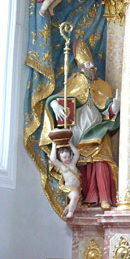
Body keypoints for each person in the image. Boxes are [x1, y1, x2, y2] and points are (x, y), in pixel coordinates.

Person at [44, 41, 119, 209]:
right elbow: (57, 99)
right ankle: (88, 197)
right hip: (78, 130)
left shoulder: (103, 86)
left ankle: (104, 197)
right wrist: (55, 105)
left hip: (98, 129)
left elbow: (108, 111)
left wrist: (115, 106)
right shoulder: (74, 81)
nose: (91, 67)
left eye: (92, 64)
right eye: (87, 64)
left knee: (101, 161)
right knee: (81, 164)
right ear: (81, 67)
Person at [49, 141, 82, 220]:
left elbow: (77, 154)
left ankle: (67, 209)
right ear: (60, 158)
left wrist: (70, 144)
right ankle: (70, 212)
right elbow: (53, 159)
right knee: (74, 197)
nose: (67, 159)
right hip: (70, 188)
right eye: (64, 157)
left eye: (68, 156)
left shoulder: (73, 163)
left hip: (78, 188)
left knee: (78, 204)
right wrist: (54, 145)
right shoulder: (62, 166)